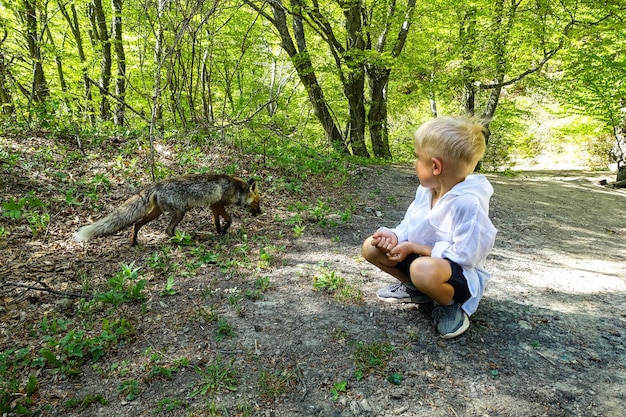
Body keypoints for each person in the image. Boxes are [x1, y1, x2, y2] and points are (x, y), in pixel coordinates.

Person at [362, 115, 497, 339]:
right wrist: (393, 236)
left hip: (454, 276)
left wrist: (414, 248)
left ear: (435, 166)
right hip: (422, 264)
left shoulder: (467, 203)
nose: (414, 162)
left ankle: (450, 306)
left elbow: (466, 256)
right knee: (371, 247)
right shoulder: (426, 191)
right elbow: (410, 224)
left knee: (421, 269)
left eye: (417, 157)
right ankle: (417, 290)